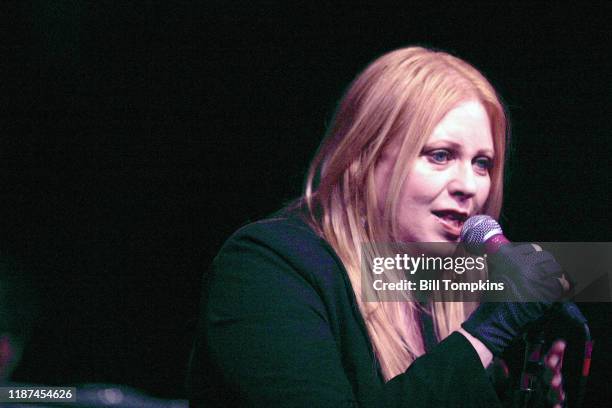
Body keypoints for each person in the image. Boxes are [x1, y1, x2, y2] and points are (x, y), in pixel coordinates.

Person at [188, 46, 568, 407]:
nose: (468, 185)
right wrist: (483, 336)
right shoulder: (265, 269)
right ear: (362, 158)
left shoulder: (443, 290)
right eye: (440, 155)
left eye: (482, 163)